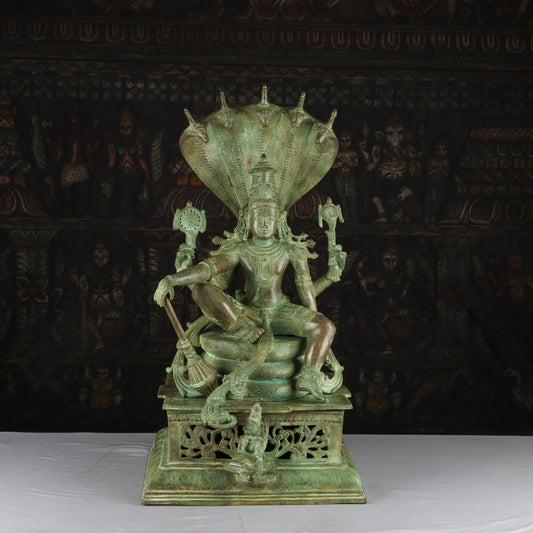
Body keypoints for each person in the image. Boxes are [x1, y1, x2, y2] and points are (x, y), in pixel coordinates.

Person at [154, 163, 340, 400]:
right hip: (246, 314)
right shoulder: (239, 249)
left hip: (280, 311)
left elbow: (305, 292)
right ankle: (242, 330)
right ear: (246, 218)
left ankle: (309, 376)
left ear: (279, 219)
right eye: (259, 217)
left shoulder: (290, 250)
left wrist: (313, 318)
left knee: (325, 326)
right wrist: (174, 278)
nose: (264, 223)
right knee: (201, 289)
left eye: (269, 217)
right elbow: (207, 270)